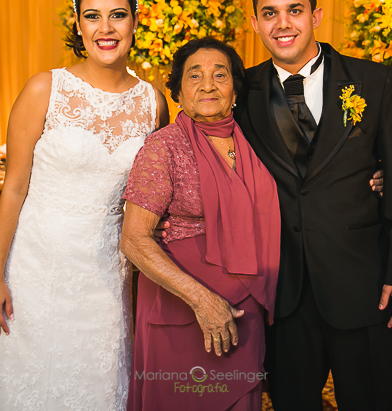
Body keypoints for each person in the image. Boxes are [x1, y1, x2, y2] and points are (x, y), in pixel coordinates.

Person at [234, 0, 392, 410]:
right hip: (284, 293)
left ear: (316, 15)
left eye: (294, 10)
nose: (283, 24)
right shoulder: (242, 90)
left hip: (364, 285)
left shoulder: (374, 81)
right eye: (269, 13)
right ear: (255, 22)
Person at [0, 0, 169, 410]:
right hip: (36, 269)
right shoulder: (44, 89)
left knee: (98, 386)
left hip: (108, 275)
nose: (105, 28)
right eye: (92, 16)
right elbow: (13, 188)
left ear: (135, 23)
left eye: (117, 15)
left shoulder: (153, 102)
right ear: (78, 24)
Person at [120, 38, 280, 410]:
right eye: (195, 75)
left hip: (245, 310)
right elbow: (133, 240)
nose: (208, 84)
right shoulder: (163, 147)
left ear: (235, 88)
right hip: (181, 311)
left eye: (219, 74)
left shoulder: (255, 141)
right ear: (177, 91)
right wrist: (202, 301)